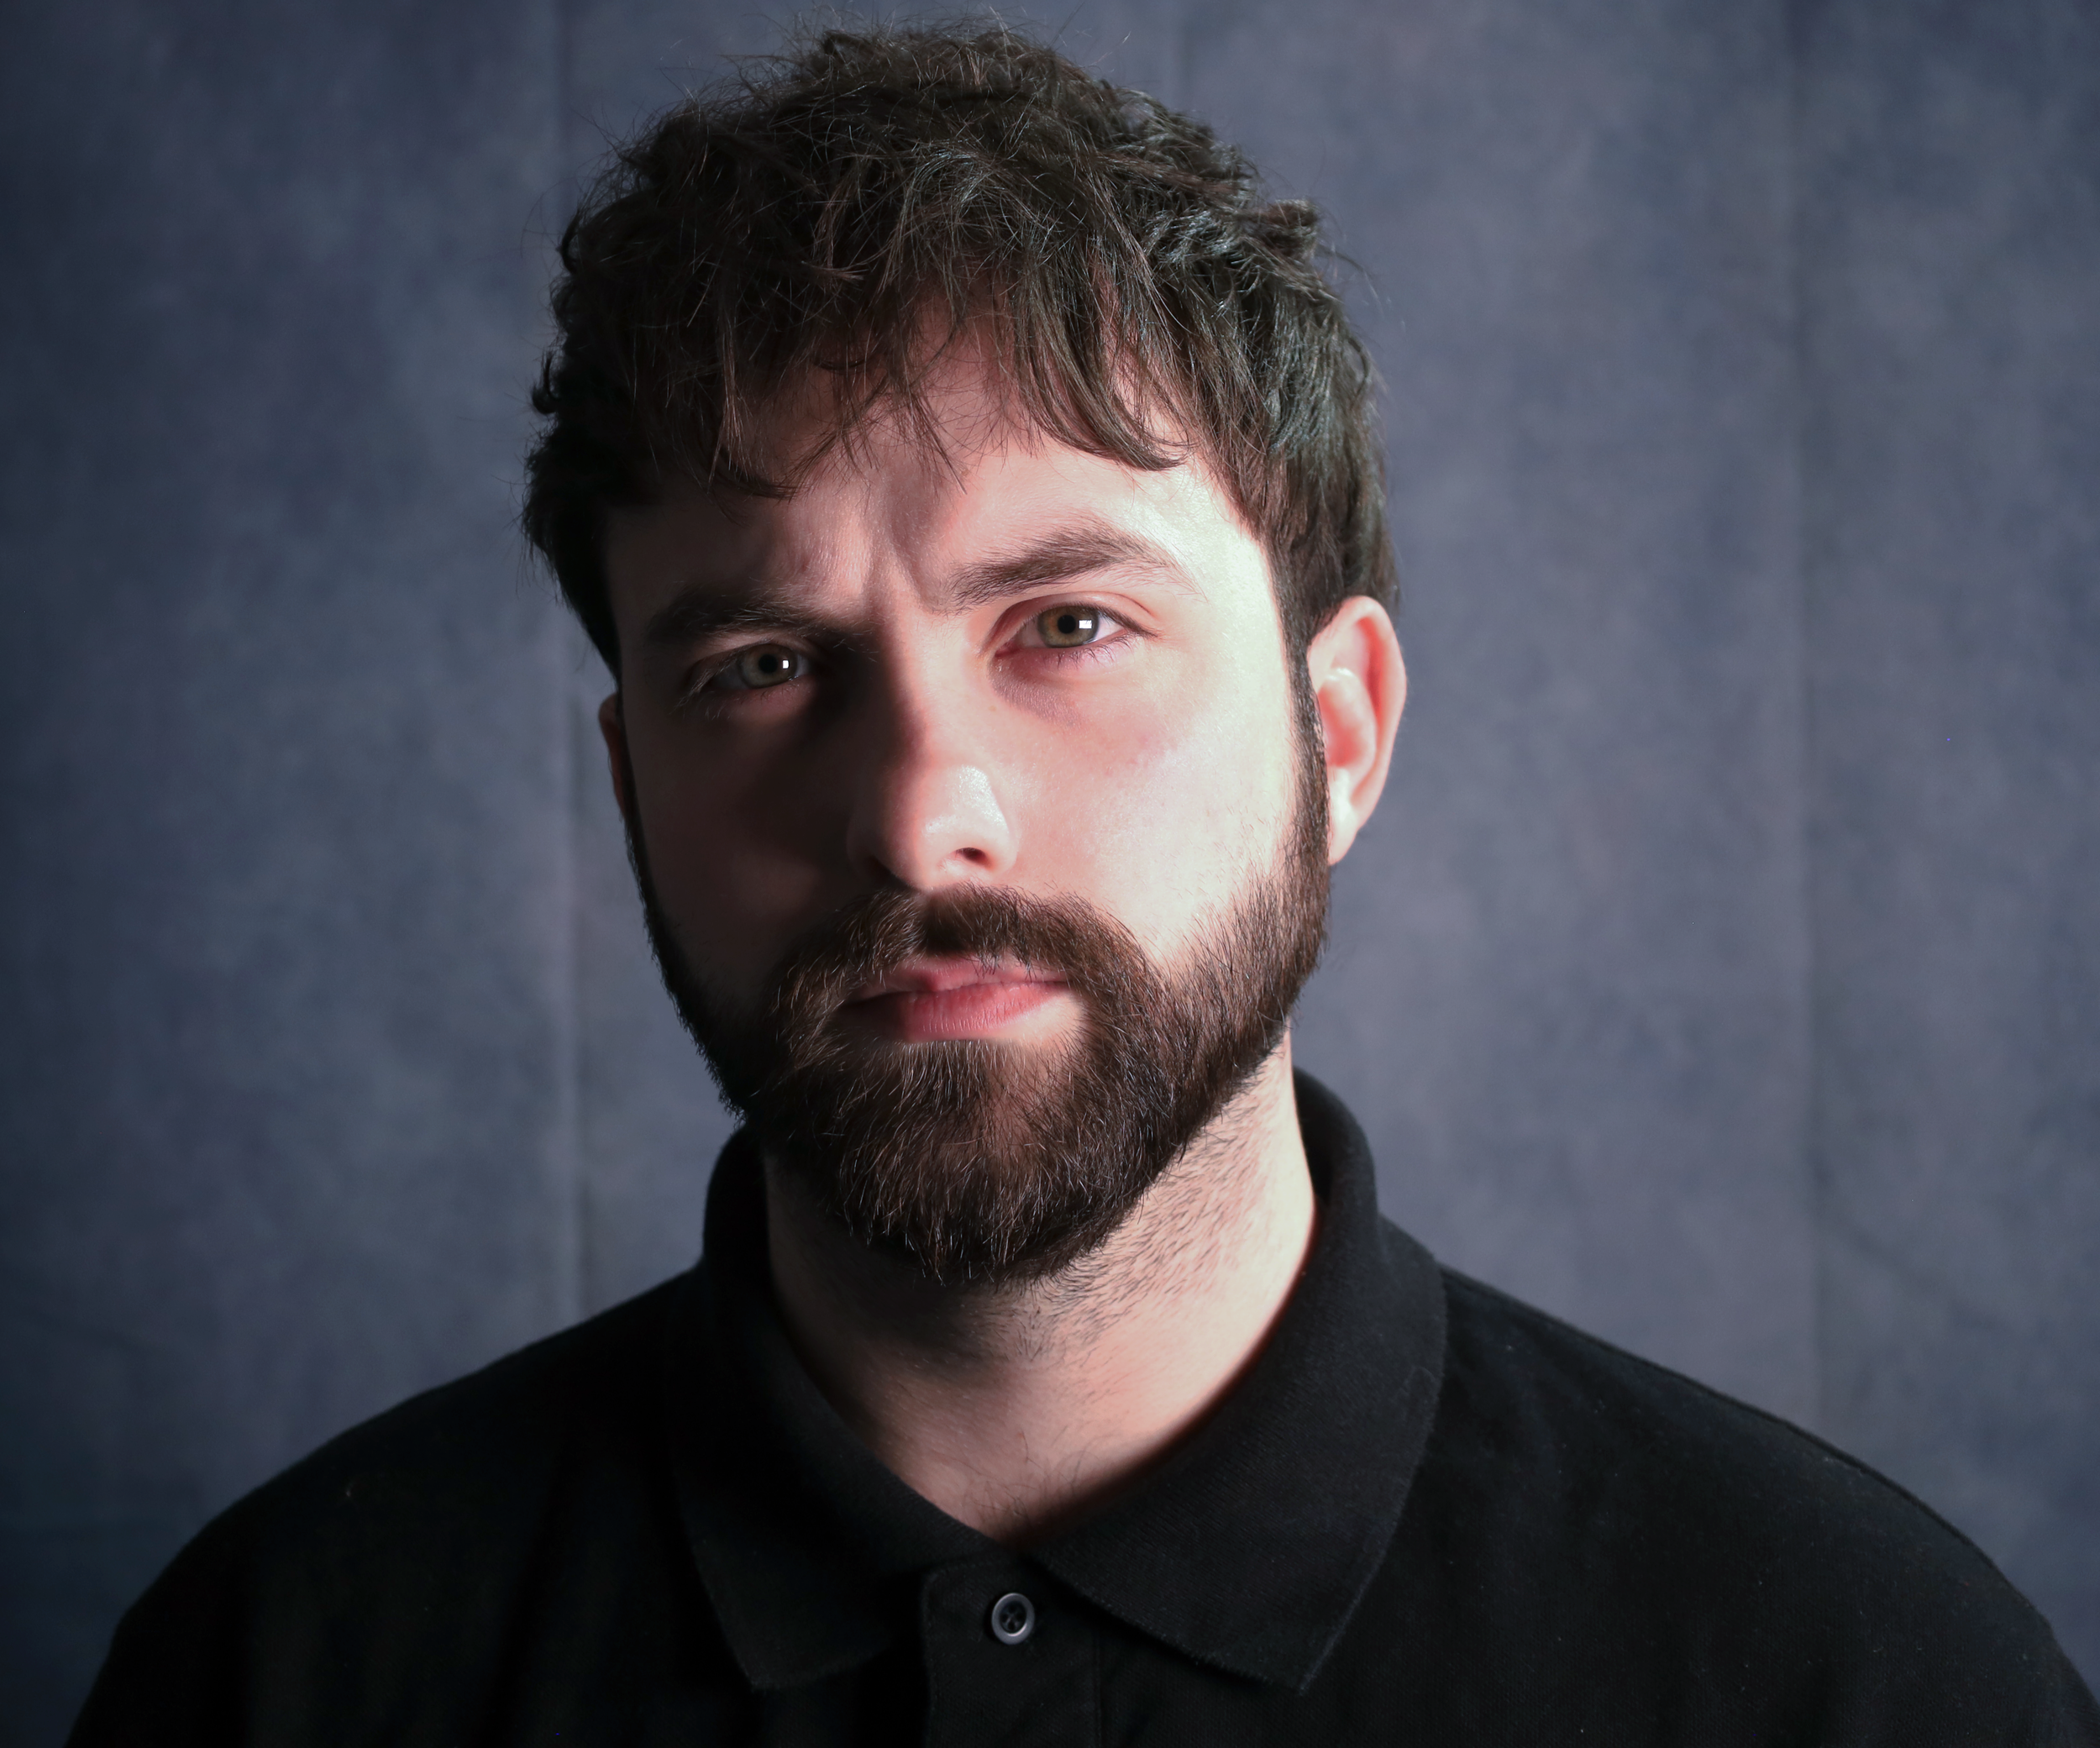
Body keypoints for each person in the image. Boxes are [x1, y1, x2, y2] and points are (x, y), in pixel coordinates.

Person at [71, 22, 2098, 1745]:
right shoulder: (277, 1672)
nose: (916, 817)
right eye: (761, 668)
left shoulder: (1861, 1679)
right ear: (630, 782)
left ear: (1339, 728)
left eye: (1064, 624)